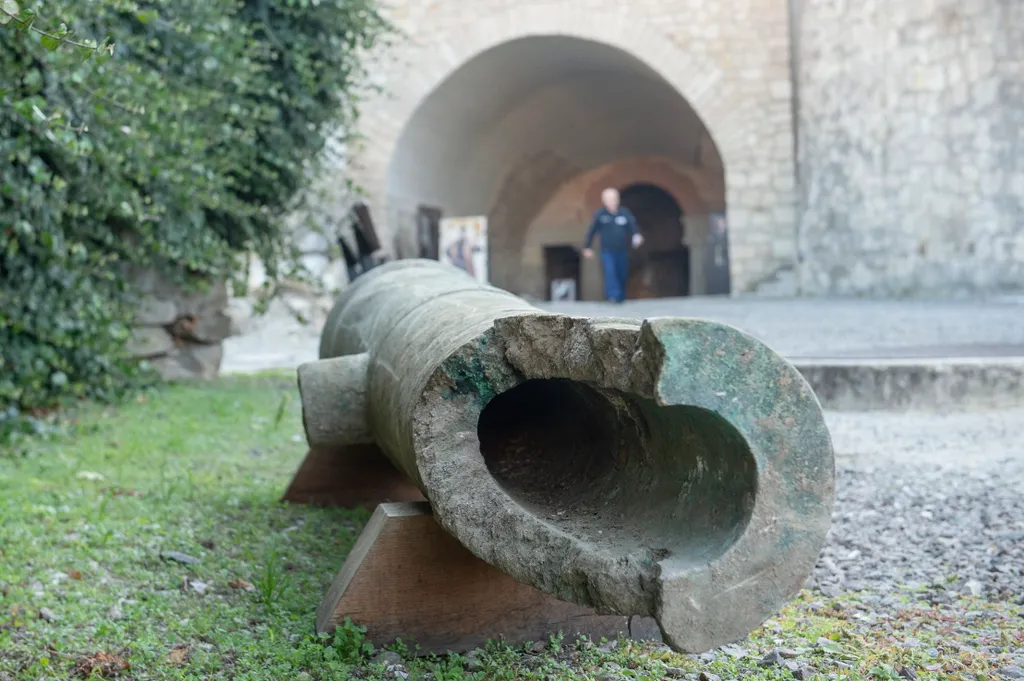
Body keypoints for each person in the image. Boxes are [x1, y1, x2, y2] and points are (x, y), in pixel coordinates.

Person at [582, 188, 643, 303]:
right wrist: (587, 247)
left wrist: (637, 235)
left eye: (613, 198)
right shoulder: (600, 214)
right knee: (610, 272)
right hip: (607, 250)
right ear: (604, 200)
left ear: (618, 199)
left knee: (621, 273)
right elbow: (592, 231)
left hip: (622, 250)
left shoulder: (624, 213)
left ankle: (621, 296)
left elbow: (633, 226)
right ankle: (612, 296)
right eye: (608, 199)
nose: (611, 201)